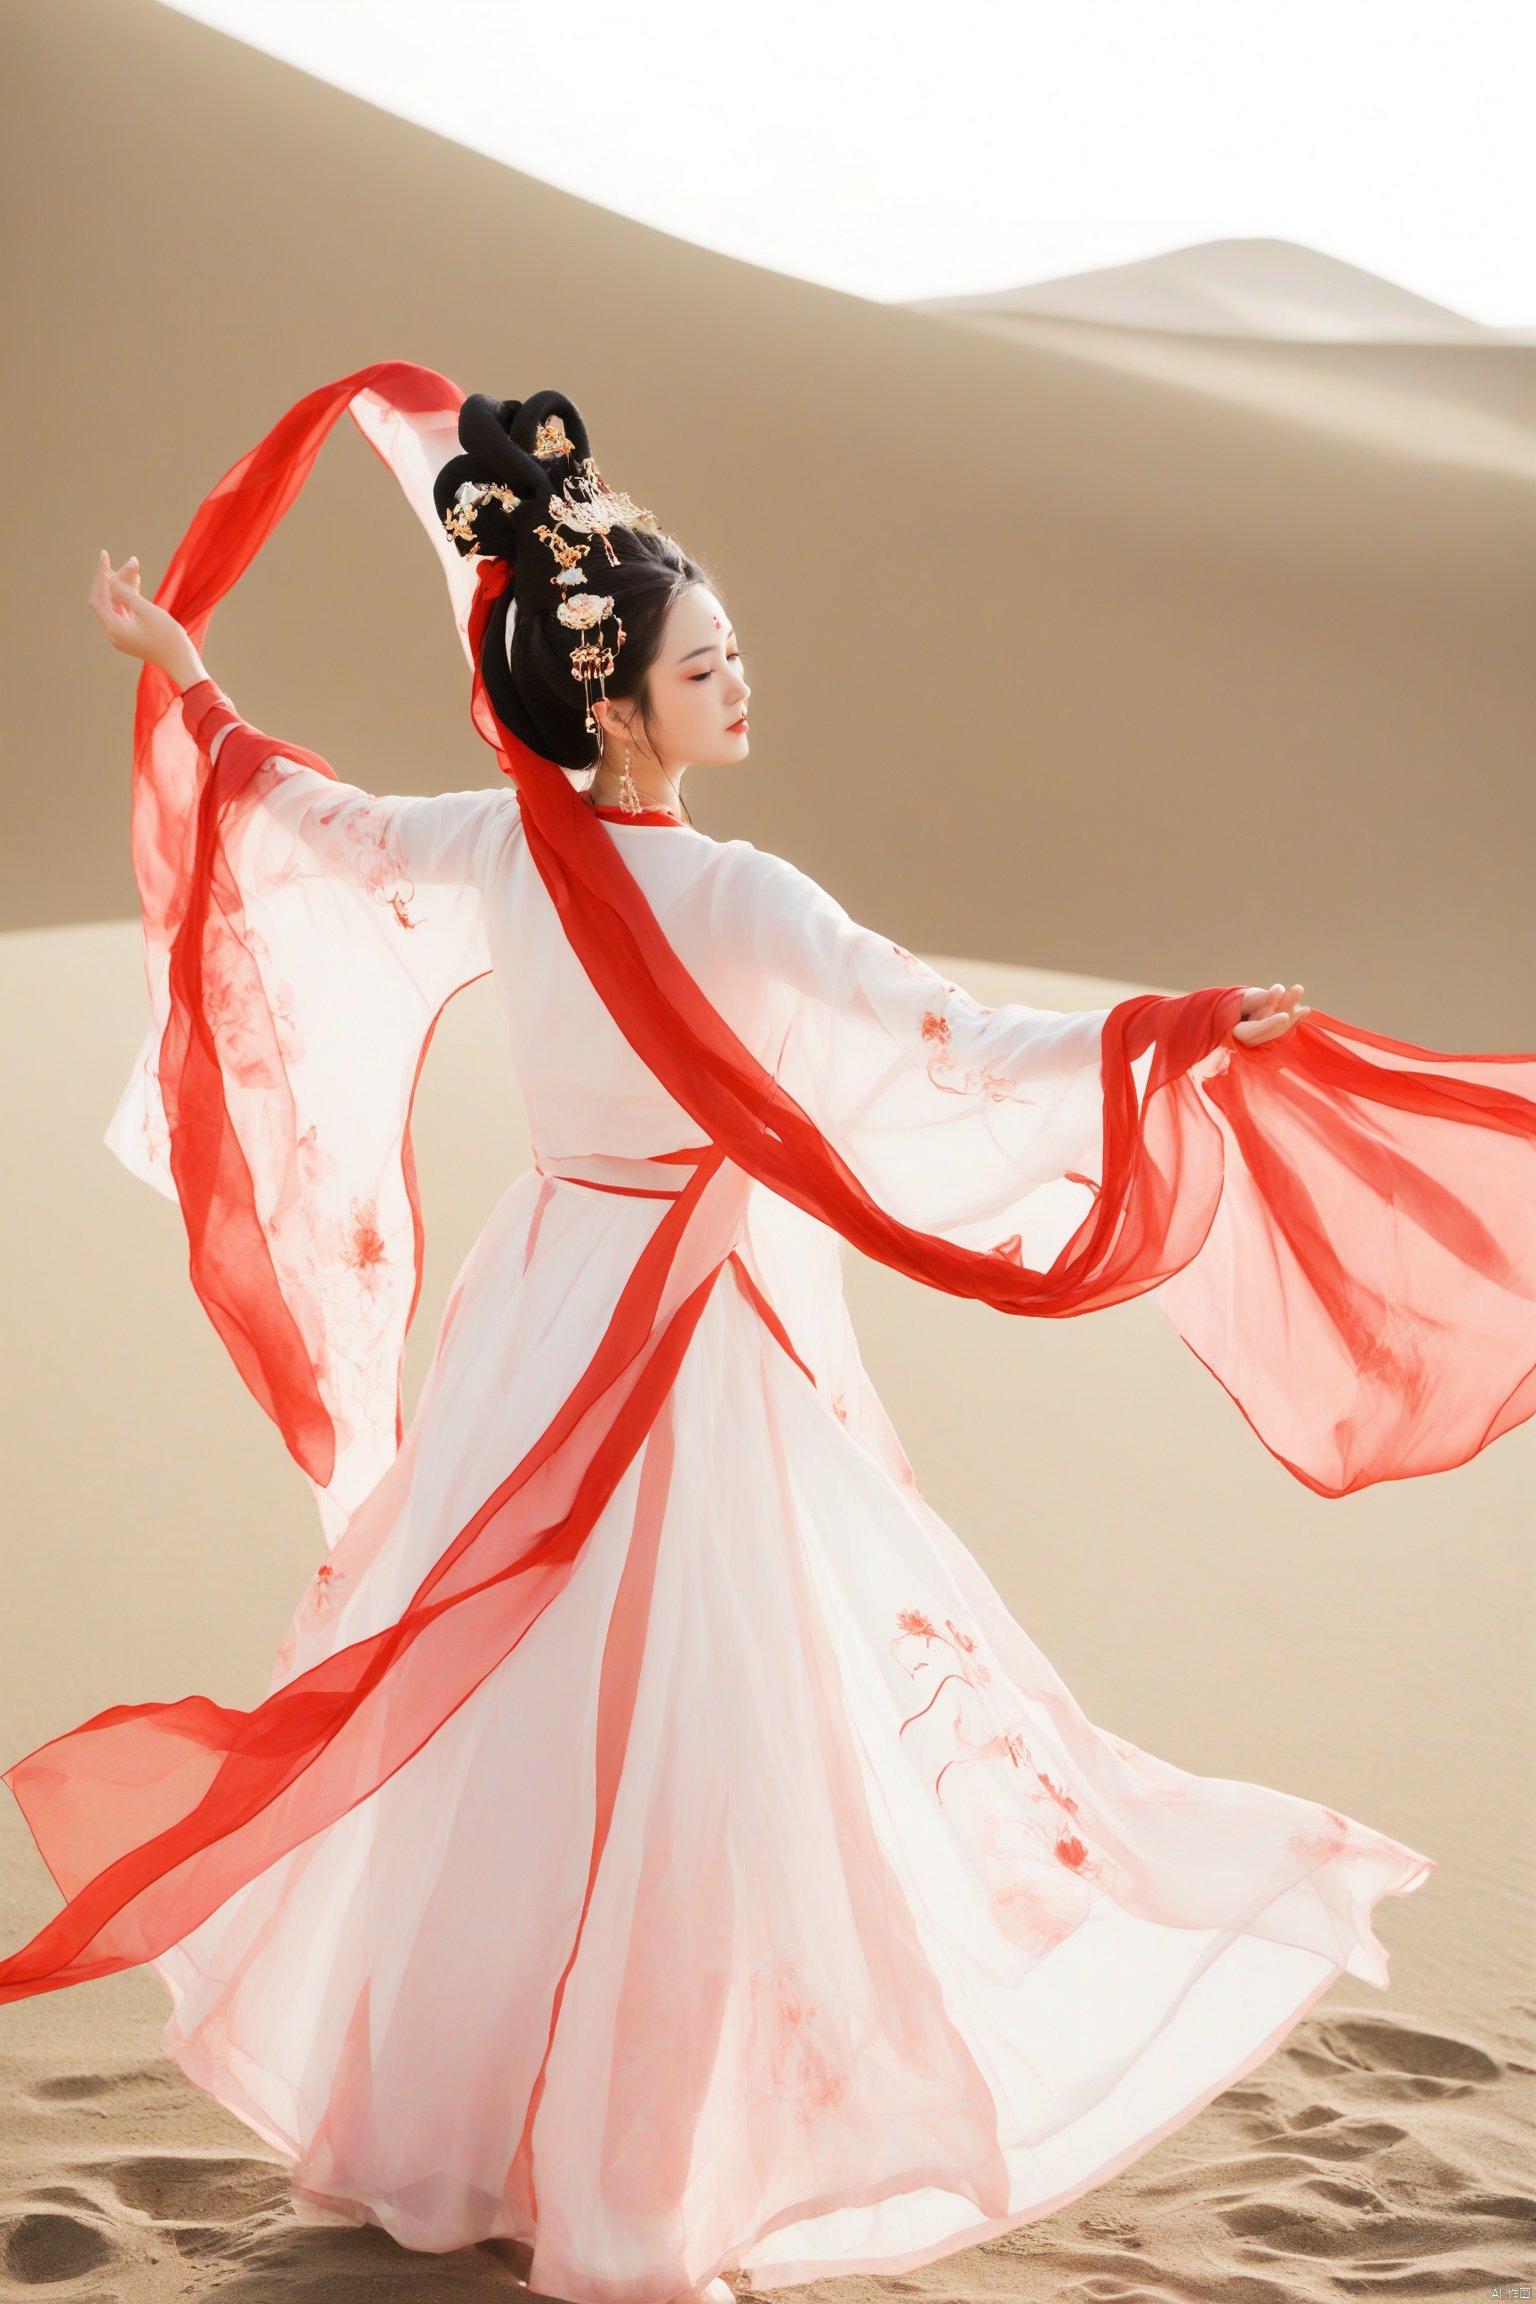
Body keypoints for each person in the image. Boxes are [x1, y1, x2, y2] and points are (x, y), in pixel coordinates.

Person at [4, 370, 1531, 2304]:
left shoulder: (497, 846)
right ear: (615, 696)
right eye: (708, 661)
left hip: (549, 1309)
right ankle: (633, 2189)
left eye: (735, 652)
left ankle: (440, 2143)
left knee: (525, 1723)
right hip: (680, 1338)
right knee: (692, 1738)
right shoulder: (732, 890)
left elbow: (290, 816)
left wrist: (184, 681)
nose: (743, 682)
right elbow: (954, 1045)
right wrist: (1162, 1040)